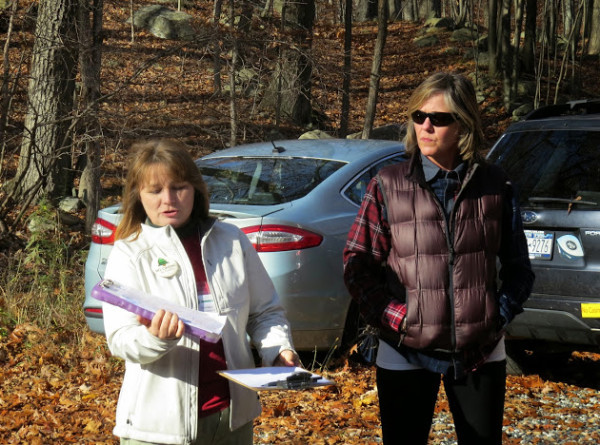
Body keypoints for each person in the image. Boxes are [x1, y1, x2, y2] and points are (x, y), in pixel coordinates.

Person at [343, 72, 534, 445]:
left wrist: (498, 314)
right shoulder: (387, 184)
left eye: (439, 118)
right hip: (405, 351)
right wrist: (398, 317)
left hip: (479, 352)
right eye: (418, 116)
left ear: (464, 124)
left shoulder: (496, 186)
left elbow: (519, 270)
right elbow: (357, 265)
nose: (425, 125)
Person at [102, 138, 300, 445]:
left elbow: (266, 313)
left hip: (232, 420)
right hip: (160, 429)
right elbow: (121, 341)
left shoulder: (231, 240)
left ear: (195, 188)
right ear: (138, 196)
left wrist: (279, 351)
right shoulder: (130, 253)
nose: (168, 199)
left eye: (178, 186)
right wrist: (157, 338)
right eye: (155, 190)